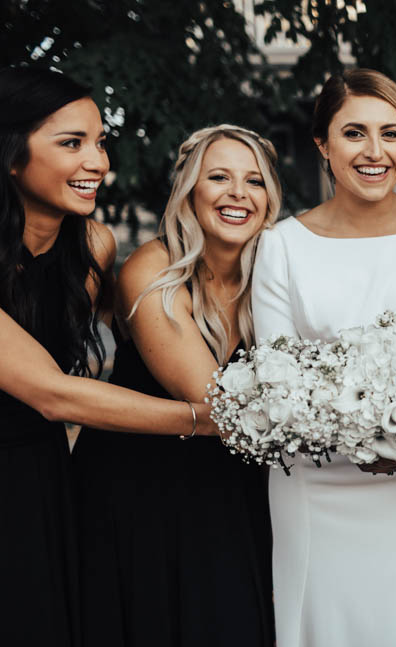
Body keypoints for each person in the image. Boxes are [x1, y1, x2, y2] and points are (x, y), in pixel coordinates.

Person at [251, 68, 396, 647]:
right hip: (310, 480)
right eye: (354, 133)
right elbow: (277, 374)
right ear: (322, 144)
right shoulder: (281, 246)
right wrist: (350, 434)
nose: (375, 152)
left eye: (390, 133)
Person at [0, 67, 211, 646]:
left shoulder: (94, 247)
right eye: (72, 143)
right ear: (11, 154)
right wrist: (212, 419)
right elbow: (53, 393)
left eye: (100, 142)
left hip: (47, 478)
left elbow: (138, 337)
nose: (97, 162)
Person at [73, 124, 281, 646]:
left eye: (254, 181)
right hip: (141, 493)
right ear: (189, 190)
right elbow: (214, 405)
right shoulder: (153, 269)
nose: (239, 193)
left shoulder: (275, 275)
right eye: (219, 177)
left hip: (232, 491)